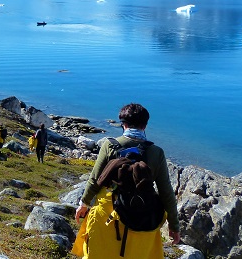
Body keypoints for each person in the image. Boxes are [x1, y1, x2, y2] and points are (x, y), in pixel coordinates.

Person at [73, 103, 180, 257]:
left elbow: (95, 179)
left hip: (108, 216)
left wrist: (84, 204)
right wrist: (174, 225)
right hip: (143, 217)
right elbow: (166, 192)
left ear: (123, 124)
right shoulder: (157, 153)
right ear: (145, 125)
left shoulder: (109, 145)